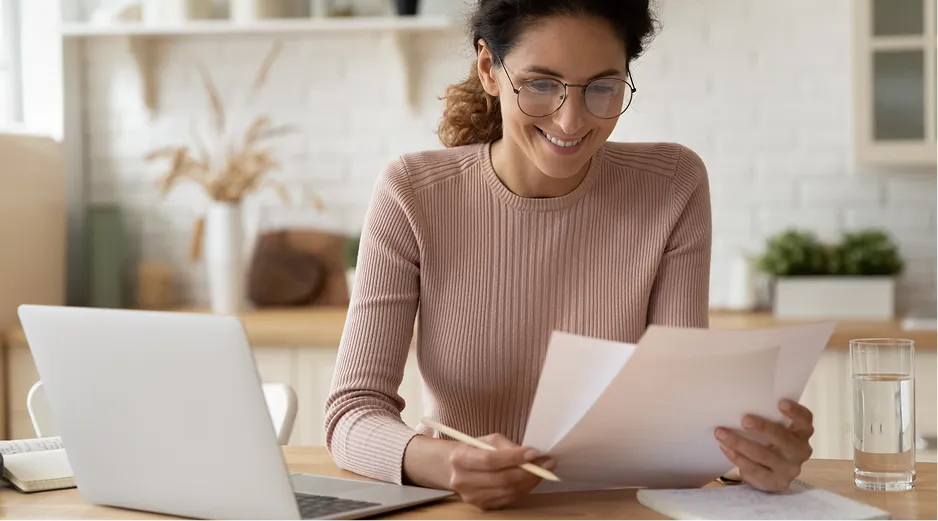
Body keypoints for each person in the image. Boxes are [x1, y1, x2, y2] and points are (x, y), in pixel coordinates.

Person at [324, 0, 815, 510]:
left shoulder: (671, 185)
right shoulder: (414, 192)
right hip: (470, 511)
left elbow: (679, 417)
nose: (571, 119)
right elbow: (352, 414)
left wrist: (746, 459)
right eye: (540, 84)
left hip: (621, 510)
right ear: (489, 69)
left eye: (602, 87)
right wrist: (446, 465)